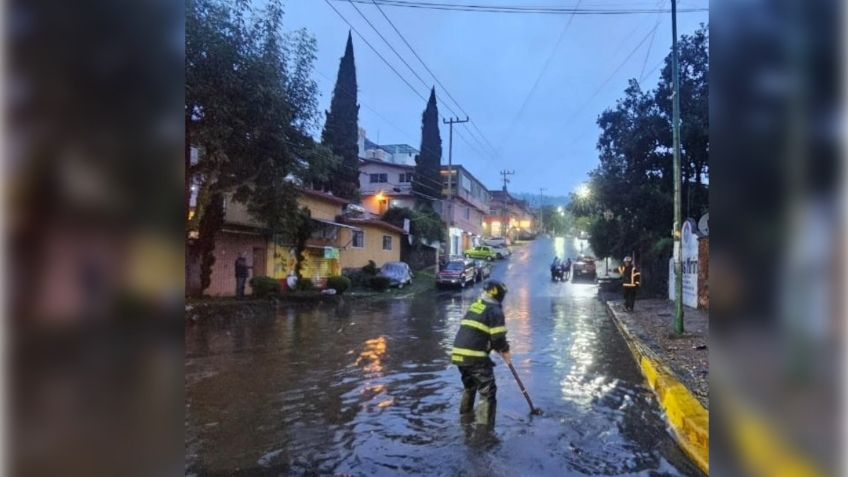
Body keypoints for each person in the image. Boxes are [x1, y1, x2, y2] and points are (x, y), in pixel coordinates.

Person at [451, 280, 511, 430]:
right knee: (487, 391)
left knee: (470, 386)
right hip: (474, 356)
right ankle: (484, 430)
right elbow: (498, 338)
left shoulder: (475, 306)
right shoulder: (495, 310)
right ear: (499, 294)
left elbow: (480, 332)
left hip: (458, 354)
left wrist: (496, 347)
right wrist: (505, 350)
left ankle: (464, 418)